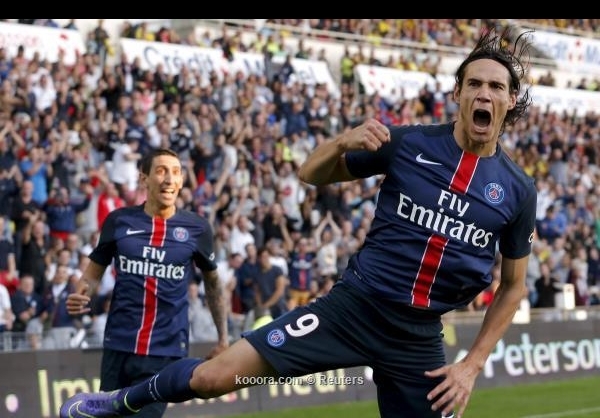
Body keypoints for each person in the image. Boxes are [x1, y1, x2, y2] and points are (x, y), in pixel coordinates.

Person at [60, 27, 537, 418]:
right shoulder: (408, 143)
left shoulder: (517, 190)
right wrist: (343, 141)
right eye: (474, 84)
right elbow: (310, 173)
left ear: (511, 99)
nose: (484, 93)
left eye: (496, 87)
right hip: (353, 309)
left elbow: (513, 287)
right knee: (214, 377)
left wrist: (472, 365)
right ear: (457, 93)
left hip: (418, 340)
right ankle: (120, 401)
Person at [61, 148, 229, 417]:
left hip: (166, 349)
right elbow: (93, 273)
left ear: (181, 181)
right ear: (144, 179)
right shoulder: (119, 221)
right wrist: (82, 292)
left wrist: (223, 338)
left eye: (175, 173)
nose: (169, 179)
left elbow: (213, 283)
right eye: (161, 171)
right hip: (119, 344)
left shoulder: (197, 228)